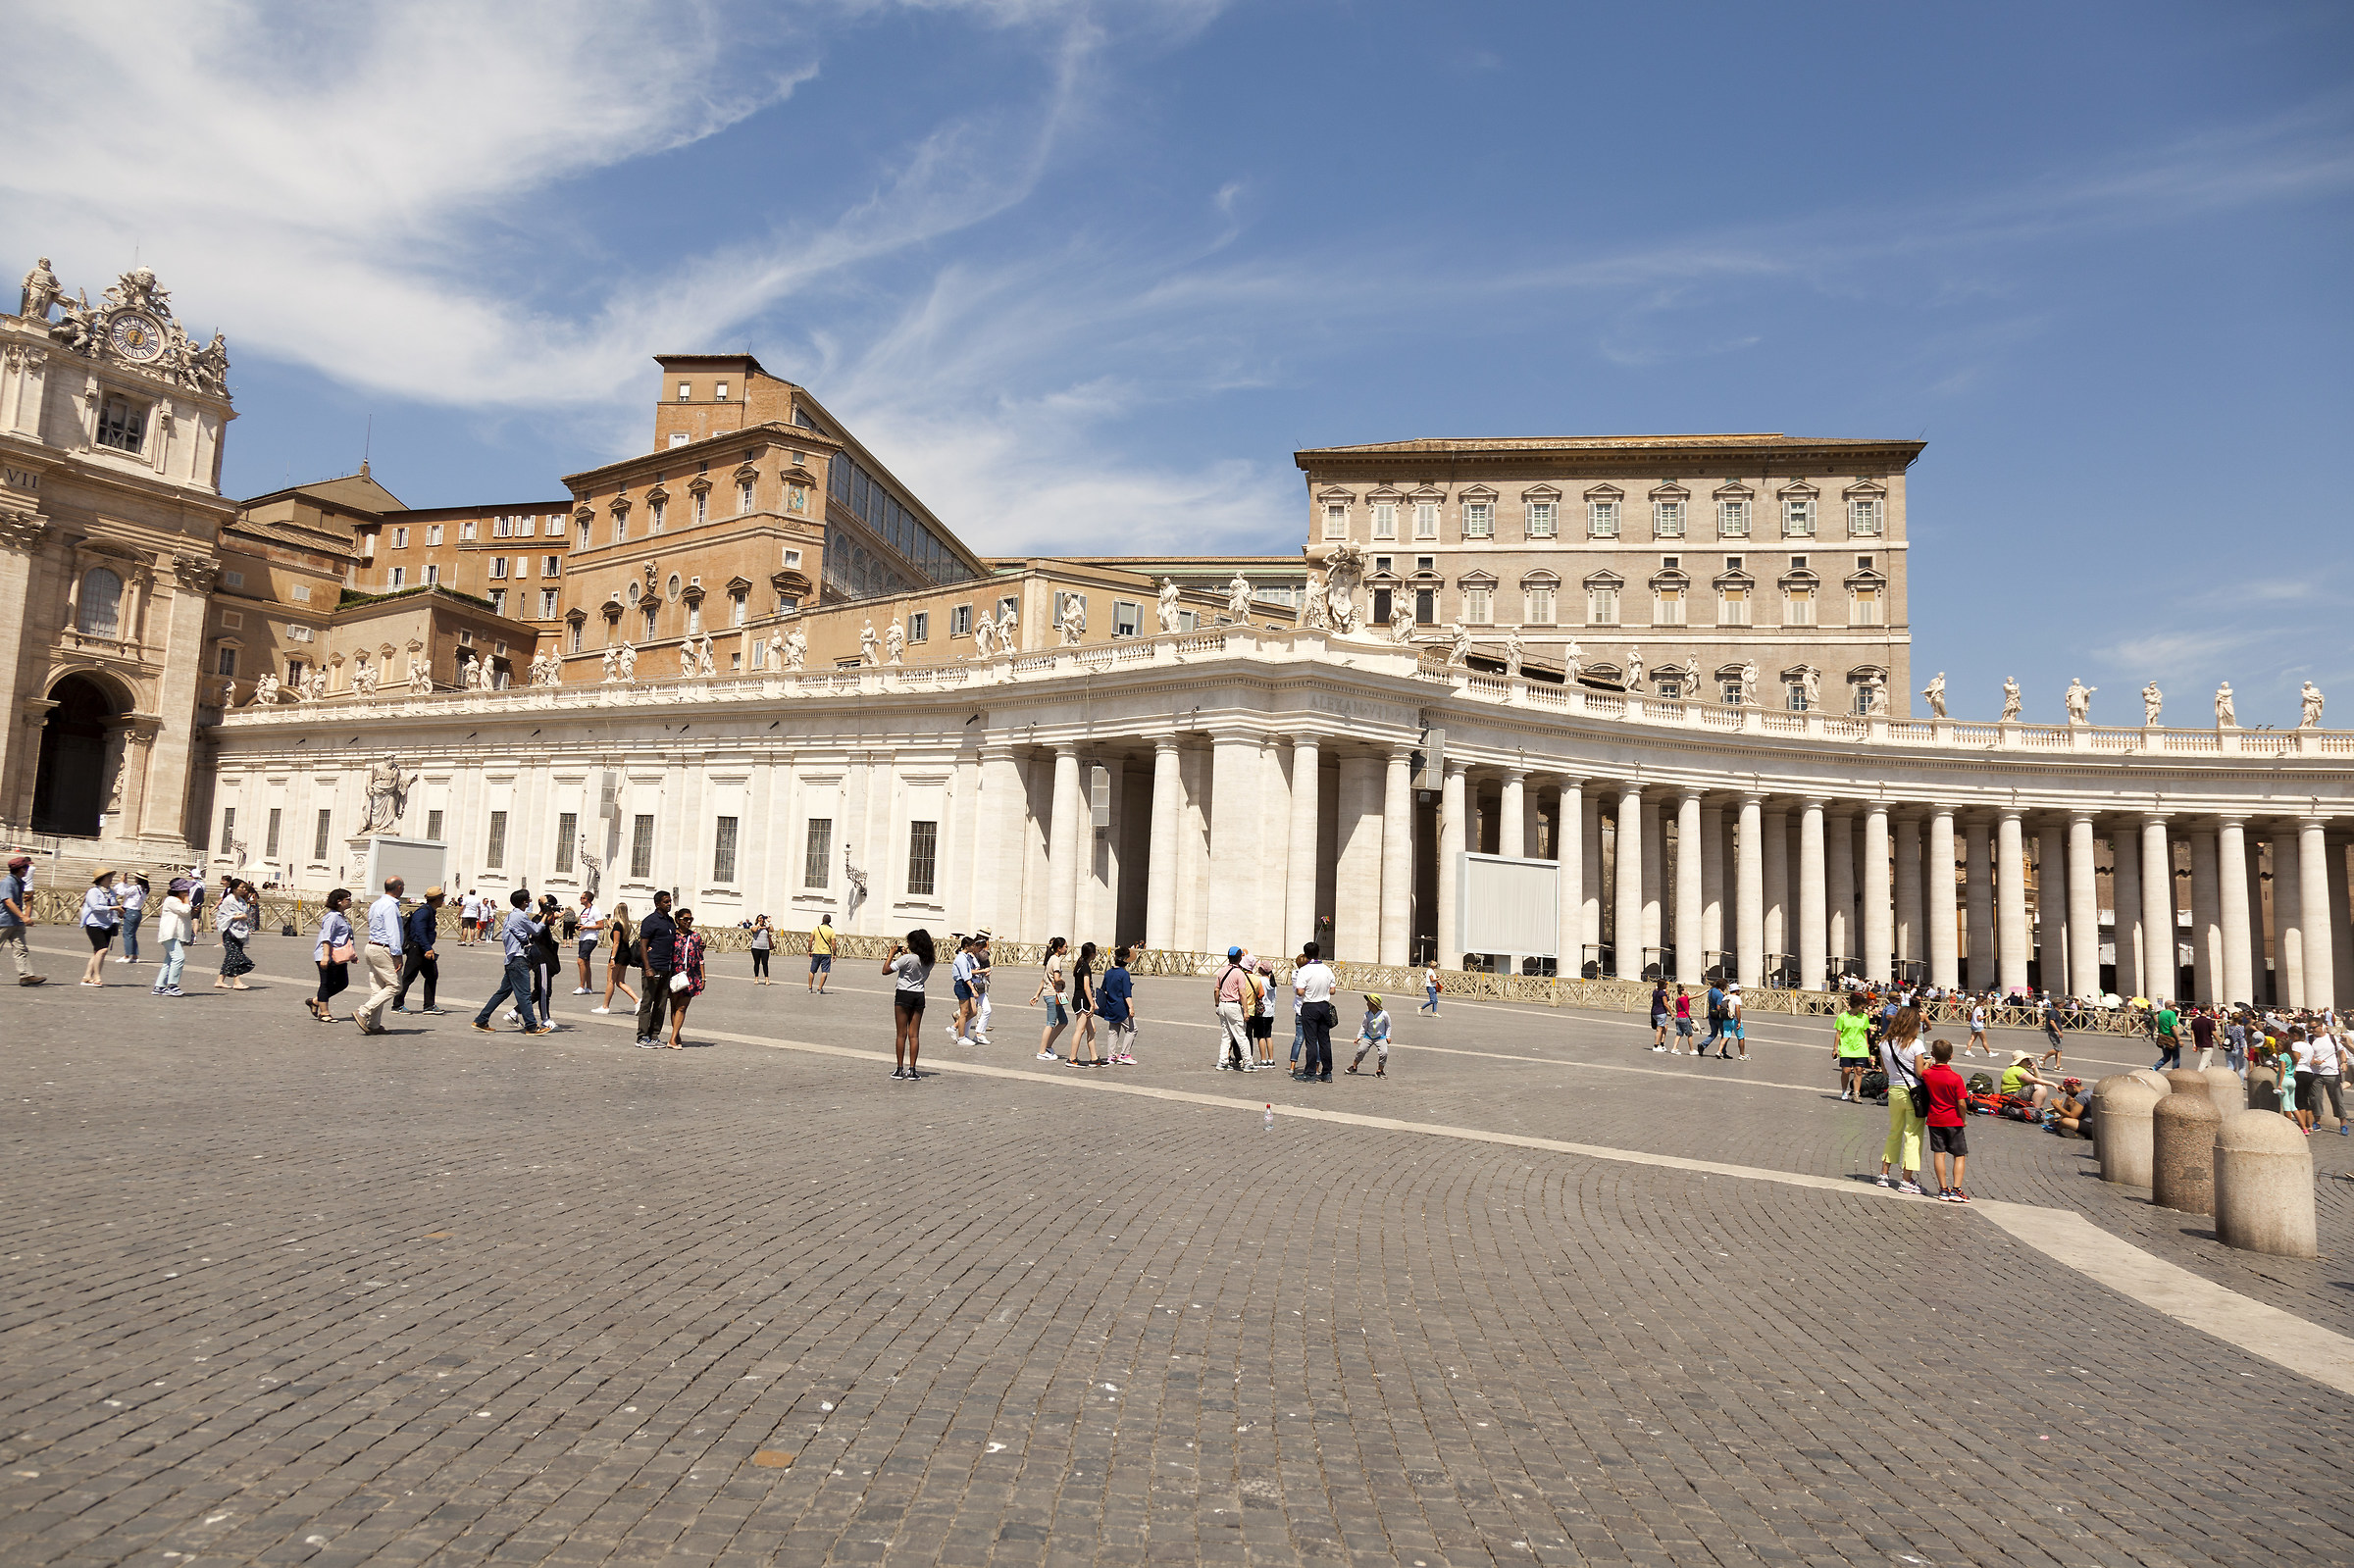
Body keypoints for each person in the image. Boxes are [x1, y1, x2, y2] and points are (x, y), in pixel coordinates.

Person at [471, 889, 552, 1036]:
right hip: (518, 959)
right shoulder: (520, 916)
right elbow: (536, 930)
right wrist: (546, 914)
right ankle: (531, 1026)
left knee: (502, 993)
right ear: (524, 902)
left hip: (510, 959)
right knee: (524, 994)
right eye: (528, 899)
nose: (530, 901)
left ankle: (481, 1019)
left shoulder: (511, 916)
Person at [1875, 1006, 1928, 1194]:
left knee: (1895, 1131)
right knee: (1912, 1135)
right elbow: (1920, 1073)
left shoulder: (1884, 1043)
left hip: (1894, 1089)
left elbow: (1885, 1071)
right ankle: (1906, 1180)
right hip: (1913, 1091)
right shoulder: (1915, 1044)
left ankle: (1884, 1174)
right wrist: (1928, 1065)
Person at [353, 876, 407, 1035]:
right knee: (395, 986)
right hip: (385, 949)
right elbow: (393, 932)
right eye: (403, 886)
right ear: (398, 888)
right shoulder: (390, 906)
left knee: (378, 988)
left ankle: (374, 1025)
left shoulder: (376, 904)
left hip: (371, 946)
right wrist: (397, 954)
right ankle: (363, 1011)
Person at [1921, 1040, 1970, 1204]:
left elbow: (1922, 1071)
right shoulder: (1956, 1078)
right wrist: (1963, 1119)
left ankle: (1943, 1189)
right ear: (1951, 1057)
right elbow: (1962, 1103)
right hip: (1953, 1120)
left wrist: (1928, 1063)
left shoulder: (1927, 1074)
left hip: (1935, 1119)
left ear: (1933, 1055)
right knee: (1959, 1155)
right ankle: (1956, 1189)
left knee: (1939, 1153)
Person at [884, 929, 936, 1080]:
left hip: (903, 994)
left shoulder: (907, 959)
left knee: (901, 1034)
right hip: (919, 995)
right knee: (914, 1035)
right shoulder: (929, 960)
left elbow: (885, 970)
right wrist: (905, 956)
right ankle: (912, 1069)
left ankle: (899, 1069)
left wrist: (891, 955)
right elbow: (915, 965)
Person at [635, 891, 679, 1046]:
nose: (669, 904)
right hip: (653, 967)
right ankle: (642, 1036)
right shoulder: (650, 921)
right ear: (657, 903)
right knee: (647, 1002)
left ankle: (654, 1035)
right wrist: (647, 968)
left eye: (670, 901)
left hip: (667, 968)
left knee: (661, 1004)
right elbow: (643, 945)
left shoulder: (670, 921)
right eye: (666, 902)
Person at [392, 885, 445, 1014]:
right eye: (442, 898)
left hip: (423, 947)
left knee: (432, 975)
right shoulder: (424, 911)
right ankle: (397, 1005)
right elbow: (419, 931)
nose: (443, 901)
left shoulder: (429, 911)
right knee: (409, 976)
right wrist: (427, 948)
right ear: (437, 899)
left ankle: (429, 1005)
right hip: (417, 948)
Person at [1294, 941, 1337, 1083]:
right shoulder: (1326, 969)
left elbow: (1300, 991)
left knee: (1311, 1041)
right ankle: (1327, 1072)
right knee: (1325, 1040)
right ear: (1318, 953)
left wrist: (1302, 990)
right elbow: (1333, 990)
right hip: (1324, 1006)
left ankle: (1310, 1073)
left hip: (1310, 1006)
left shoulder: (1304, 970)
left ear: (1306, 955)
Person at [311, 887, 355, 1022]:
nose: (350, 901)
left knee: (342, 983)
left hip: (339, 954)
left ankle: (316, 1001)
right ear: (339, 901)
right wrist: (325, 956)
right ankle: (324, 1013)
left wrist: (352, 954)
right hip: (327, 954)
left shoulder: (341, 916)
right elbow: (326, 937)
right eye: (348, 899)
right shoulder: (331, 917)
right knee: (326, 983)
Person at [664, 908, 705, 1047]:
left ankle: (673, 1039)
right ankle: (676, 1035)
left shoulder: (696, 937)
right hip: (674, 975)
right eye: (685, 919)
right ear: (678, 920)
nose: (688, 922)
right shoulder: (672, 935)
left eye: (690, 919)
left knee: (682, 1007)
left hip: (691, 977)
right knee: (674, 1007)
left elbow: (700, 958)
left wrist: (703, 978)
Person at [0, 855, 44, 986]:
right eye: (26, 867)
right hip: (4, 921)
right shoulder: (8, 882)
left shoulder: (19, 882)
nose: (28, 869)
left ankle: (26, 975)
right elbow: (8, 901)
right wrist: (23, 916)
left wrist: (26, 915)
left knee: (21, 949)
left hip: (16, 923)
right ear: (21, 869)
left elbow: (23, 901)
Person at [148, 878, 193, 996]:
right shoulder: (171, 900)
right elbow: (185, 911)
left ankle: (159, 986)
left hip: (175, 934)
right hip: (170, 934)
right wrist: (187, 900)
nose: (187, 891)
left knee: (169, 961)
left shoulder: (177, 900)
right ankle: (172, 985)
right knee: (179, 958)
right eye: (185, 890)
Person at [595, 902, 639, 1015]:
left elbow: (616, 942)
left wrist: (612, 958)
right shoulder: (626, 924)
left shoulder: (618, 925)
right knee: (620, 982)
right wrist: (610, 926)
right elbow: (618, 936)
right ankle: (637, 1000)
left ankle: (605, 1006)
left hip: (618, 954)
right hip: (626, 954)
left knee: (611, 981)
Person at [1213, 946, 1253, 1070]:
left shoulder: (1222, 971)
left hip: (1223, 1005)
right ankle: (1248, 1063)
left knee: (1226, 1035)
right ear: (1240, 958)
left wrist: (1217, 1004)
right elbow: (1242, 993)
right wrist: (1246, 1011)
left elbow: (1216, 990)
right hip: (1233, 1005)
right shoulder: (1239, 973)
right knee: (1241, 1035)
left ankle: (1222, 1061)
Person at [78, 870, 120, 986]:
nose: (110, 878)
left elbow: (114, 905)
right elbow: (95, 907)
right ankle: (97, 976)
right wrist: (113, 908)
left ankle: (87, 976)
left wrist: (119, 913)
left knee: (98, 952)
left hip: (108, 924)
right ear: (101, 879)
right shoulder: (93, 891)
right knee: (103, 949)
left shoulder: (111, 892)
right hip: (94, 923)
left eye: (111, 876)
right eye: (108, 876)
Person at [1032, 936, 1070, 1061]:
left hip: (1051, 994)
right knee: (1050, 1023)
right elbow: (1057, 978)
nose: (1067, 948)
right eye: (1065, 946)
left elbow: (1044, 979)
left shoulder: (1050, 959)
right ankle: (1042, 1051)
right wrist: (1063, 982)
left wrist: (1037, 995)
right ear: (1059, 948)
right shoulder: (1056, 960)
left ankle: (1048, 1046)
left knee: (1063, 1021)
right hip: (1052, 994)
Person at [213, 879, 256, 989]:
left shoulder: (241, 901)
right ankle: (237, 981)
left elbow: (245, 914)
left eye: (245, 888)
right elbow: (223, 916)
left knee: (231, 956)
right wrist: (238, 917)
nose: (244, 890)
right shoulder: (228, 900)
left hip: (240, 930)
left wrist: (242, 916)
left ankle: (220, 980)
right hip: (229, 931)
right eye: (242, 887)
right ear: (234, 888)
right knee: (235, 955)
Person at [1067, 941, 1104, 1066]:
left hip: (1080, 999)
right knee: (1080, 1030)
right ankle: (1072, 1058)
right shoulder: (1085, 967)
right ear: (1092, 953)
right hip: (1082, 1000)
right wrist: (1092, 1004)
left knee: (1091, 1030)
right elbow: (1086, 987)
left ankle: (1094, 1058)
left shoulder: (1080, 964)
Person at [1099, 946, 1137, 1064]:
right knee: (1132, 1029)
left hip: (1110, 1005)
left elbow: (1103, 988)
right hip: (1121, 1007)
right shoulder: (1124, 974)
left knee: (1113, 1031)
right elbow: (1127, 994)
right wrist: (1131, 1007)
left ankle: (1111, 1056)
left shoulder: (1108, 973)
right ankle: (1125, 1054)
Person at [1834, 994, 1873, 1101]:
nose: (1863, 1009)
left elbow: (1865, 1032)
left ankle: (1856, 1094)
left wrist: (1867, 1046)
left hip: (1860, 1047)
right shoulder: (1842, 1017)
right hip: (1846, 1047)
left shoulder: (1864, 1017)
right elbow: (1838, 1033)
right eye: (1862, 1006)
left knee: (1859, 1070)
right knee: (1846, 1071)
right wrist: (1835, 1048)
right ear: (1855, 1005)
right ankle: (1843, 1091)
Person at [1346, 993, 1393, 1077]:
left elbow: (1388, 1025)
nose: (1367, 1003)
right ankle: (1354, 1066)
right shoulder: (1367, 1014)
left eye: (1369, 1002)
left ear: (1374, 1004)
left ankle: (1380, 1070)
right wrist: (1358, 1037)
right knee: (1361, 1050)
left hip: (1380, 1037)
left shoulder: (1384, 1014)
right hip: (1369, 1036)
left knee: (1384, 1053)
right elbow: (1364, 1026)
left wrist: (1388, 1036)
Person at [949, 935, 981, 1046]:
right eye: (972, 945)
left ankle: (953, 1027)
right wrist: (973, 989)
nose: (974, 947)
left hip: (967, 984)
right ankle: (962, 1037)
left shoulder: (966, 956)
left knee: (973, 1011)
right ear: (967, 946)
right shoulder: (961, 958)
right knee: (964, 1012)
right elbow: (965, 975)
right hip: (962, 984)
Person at [1249, 962, 1277, 1069]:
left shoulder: (1261, 980)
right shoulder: (1272, 981)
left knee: (1260, 1036)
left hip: (1261, 1011)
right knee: (1268, 1036)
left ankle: (1263, 1059)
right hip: (1271, 1011)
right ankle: (1271, 1059)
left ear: (1262, 970)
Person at [575, 891, 605, 992]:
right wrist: (580, 926)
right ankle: (589, 987)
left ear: (586, 899)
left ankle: (581, 986)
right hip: (583, 938)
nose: (580, 899)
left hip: (591, 938)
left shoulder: (595, 910)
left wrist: (586, 927)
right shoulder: (584, 910)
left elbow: (601, 925)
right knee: (586, 963)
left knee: (580, 961)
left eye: (581, 897)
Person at [115, 872, 148, 965]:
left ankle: (126, 955)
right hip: (137, 912)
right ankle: (134, 955)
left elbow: (122, 892)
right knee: (132, 934)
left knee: (127, 934)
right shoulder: (144, 889)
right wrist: (125, 883)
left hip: (131, 911)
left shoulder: (135, 888)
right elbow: (128, 890)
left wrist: (121, 882)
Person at [970, 932, 995, 1042]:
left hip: (980, 984)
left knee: (986, 1009)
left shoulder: (976, 955)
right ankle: (957, 1029)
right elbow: (967, 972)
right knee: (971, 1011)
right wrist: (984, 970)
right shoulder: (969, 956)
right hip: (972, 985)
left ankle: (979, 1034)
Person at [807, 911, 837, 993]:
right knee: (824, 971)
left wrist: (809, 950)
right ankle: (819, 989)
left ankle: (810, 988)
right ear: (829, 921)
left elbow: (810, 940)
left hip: (816, 952)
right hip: (826, 953)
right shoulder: (831, 931)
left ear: (822, 920)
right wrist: (834, 954)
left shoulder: (816, 929)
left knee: (812, 970)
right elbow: (833, 944)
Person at [2152, 999, 2181, 1070]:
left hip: (2163, 1037)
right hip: (2171, 1037)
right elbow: (2173, 1027)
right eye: (2174, 1005)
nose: (2175, 1007)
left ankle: (2155, 1067)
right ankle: (2175, 1072)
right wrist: (2179, 1039)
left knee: (2166, 1057)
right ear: (2170, 1006)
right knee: (2176, 1058)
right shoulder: (2171, 1013)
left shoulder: (2161, 1013)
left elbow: (2158, 1025)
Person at [1722, 984, 1748, 1061]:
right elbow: (1737, 1009)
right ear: (1737, 990)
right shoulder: (1737, 998)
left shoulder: (1725, 997)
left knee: (1725, 1036)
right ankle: (1742, 1054)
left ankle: (1719, 1051)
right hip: (1735, 1020)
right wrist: (1739, 1021)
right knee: (1741, 1037)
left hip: (1726, 1019)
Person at [2188, 1006, 2217, 1071]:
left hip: (2199, 1044)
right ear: (2205, 1011)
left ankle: (2210, 1075)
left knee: (2208, 1062)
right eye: (2209, 1010)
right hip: (2207, 1044)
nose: (2210, 1012)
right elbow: (2214, 1033)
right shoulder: (2209, 1021)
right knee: (2203, 1063)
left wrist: (2194, 1044)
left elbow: (2192, 1033)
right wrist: (2220, 1041)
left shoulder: (2194, 1021)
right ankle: (2198, 1075)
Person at [1669, 984, 1695, 1055]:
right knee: (1689, 1034)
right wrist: (1705, 992)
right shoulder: (1685, 998)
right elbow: (1697, 996)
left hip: (1679, 1017)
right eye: (1686, 990)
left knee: (1679, 1034)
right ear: (1682, 992)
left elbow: (1677, 1010)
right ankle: (1691, 1050)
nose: (1687, 992)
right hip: (1685, 1018)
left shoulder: (1677, 1000)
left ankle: (1674, 1048)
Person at [748, 914, 772, 984]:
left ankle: (767, 979)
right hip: (756, 947)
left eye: (762, 918)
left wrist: (769, 922)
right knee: (757, 963)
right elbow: (754, 930)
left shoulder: (766, 927)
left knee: (765, 963)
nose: (761, 919)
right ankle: (756, 978)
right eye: (760, 918)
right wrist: (759, 924)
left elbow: (772, 929)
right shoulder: (753, 926)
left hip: (765, 948)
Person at [1649, 981, 1669, 1052]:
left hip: (1654, 1012)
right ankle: (1656, 1045)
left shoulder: (1655, 992)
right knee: (1659, 1029)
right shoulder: (1662, 993)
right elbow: (1666, 1004)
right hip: (1661, 1012)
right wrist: (1672, 1013)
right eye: (1666, 984)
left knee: (1665, 1026)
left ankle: (1662, 1044)